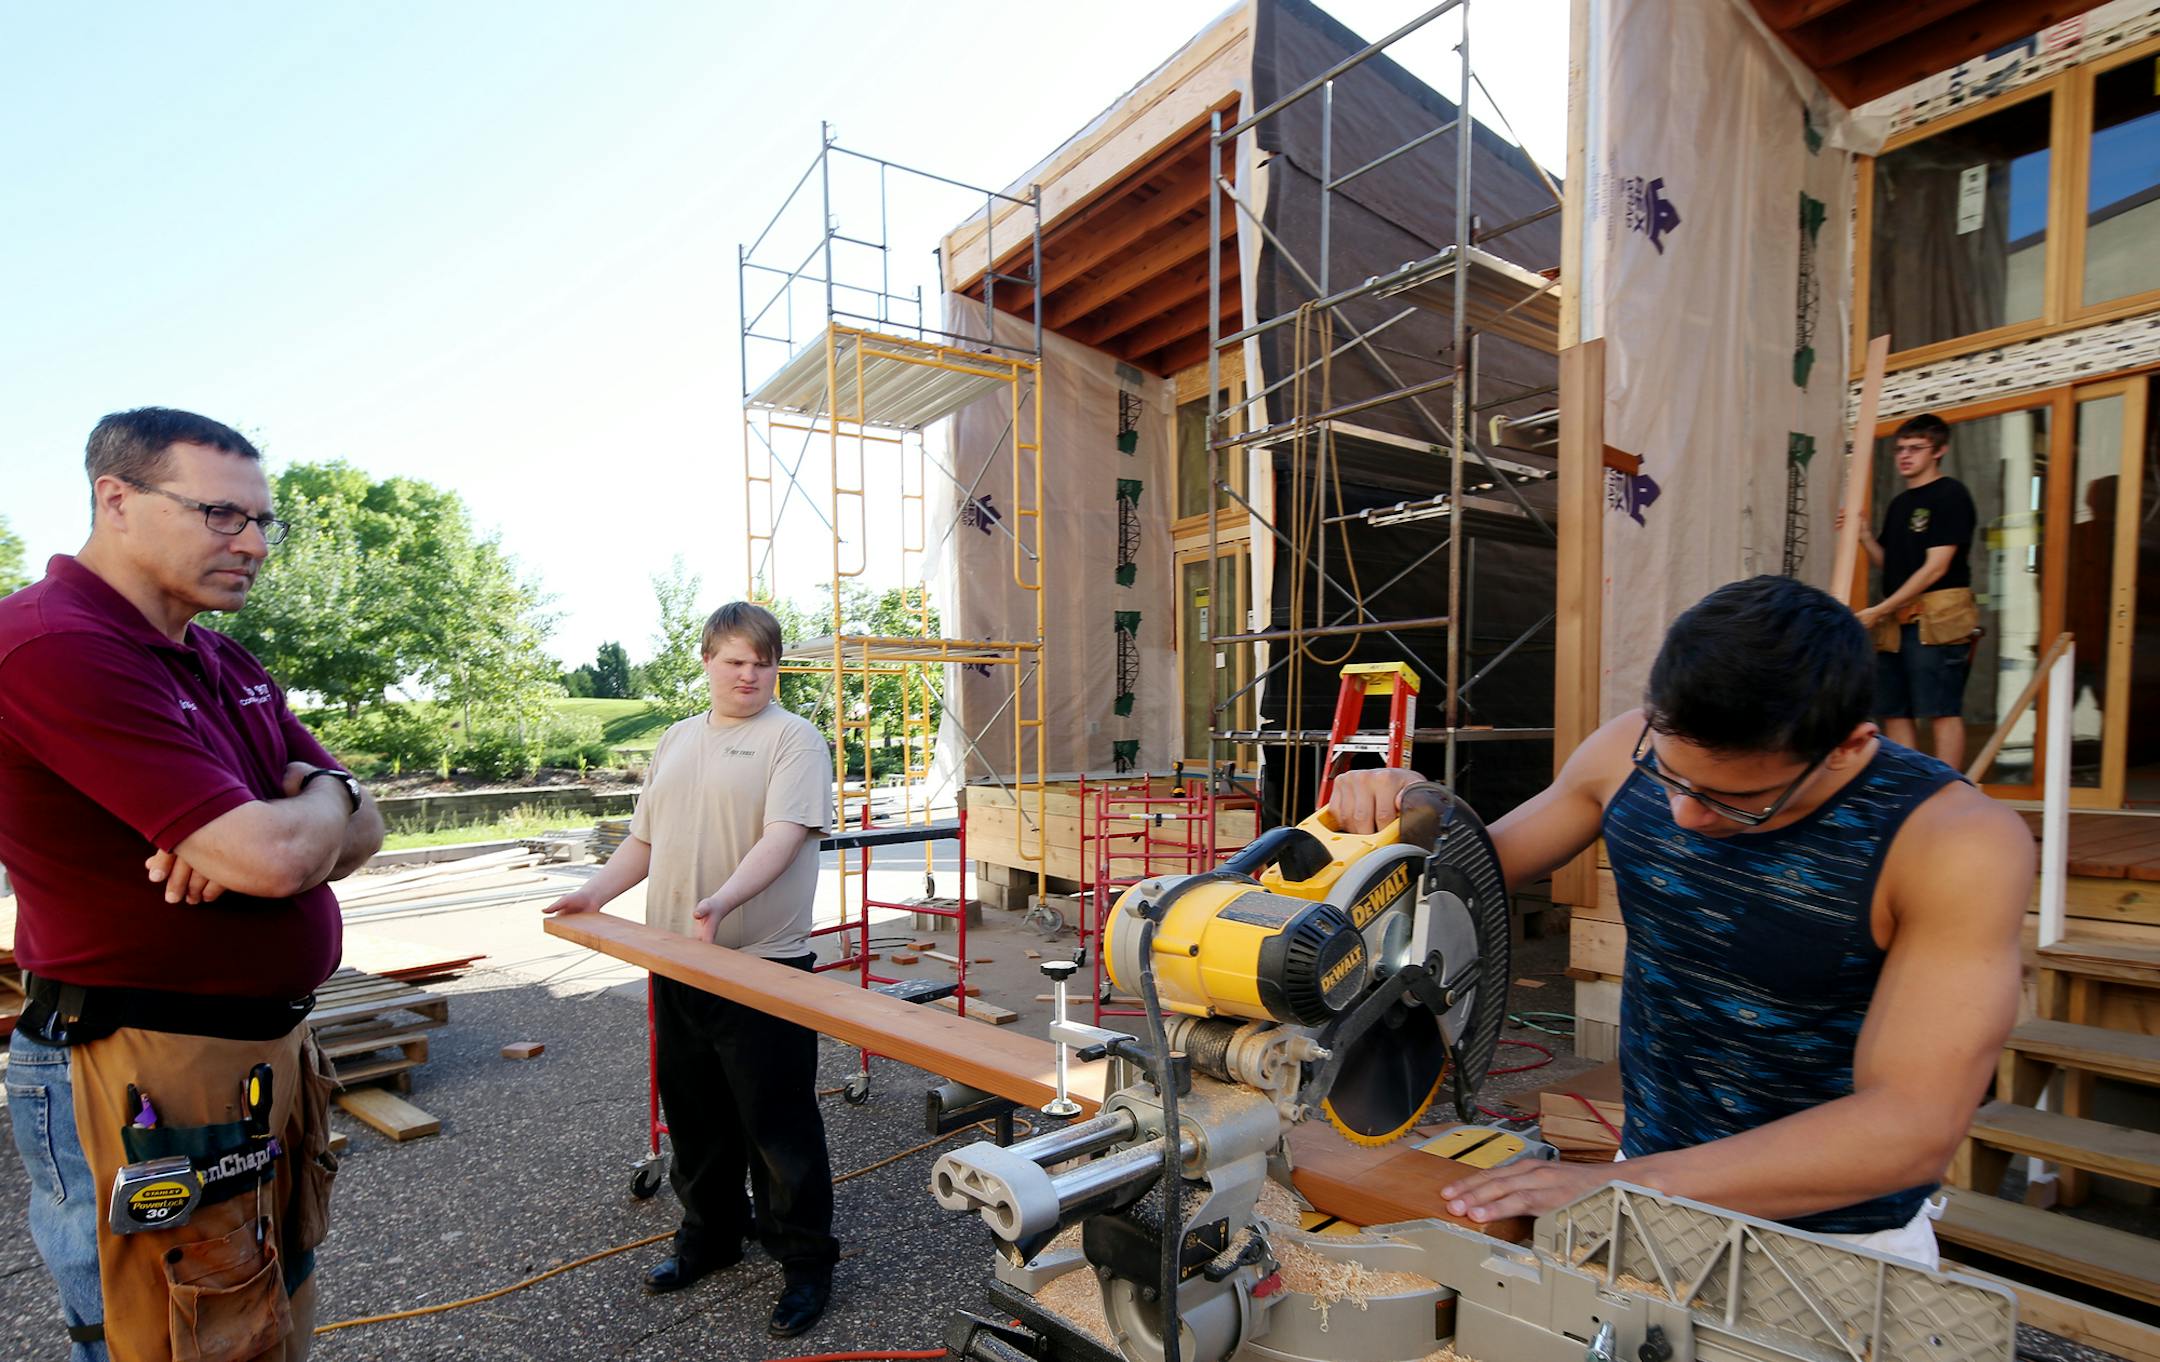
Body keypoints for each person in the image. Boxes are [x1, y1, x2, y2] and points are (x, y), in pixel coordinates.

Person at [1329, 575, 2031, 1266]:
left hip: (1837, 1241)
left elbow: (1908, 1126)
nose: (1684, 815)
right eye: (1669, 775)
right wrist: (1406, 810)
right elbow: (1464, 872)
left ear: (1847, 746)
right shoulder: (1624, 749)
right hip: (1642, 1178)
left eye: (1737, 800)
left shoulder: (1951, 844)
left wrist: (1618, 1185)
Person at [0, 408, 383, 1360]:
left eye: (262, 521)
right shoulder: (54, 645)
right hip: (138, 1062)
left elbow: (362, 826)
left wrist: (320, 797)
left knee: (261, 1314)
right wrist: (279, 832)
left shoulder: (221, 657)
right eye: (221, 514)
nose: (253, 544)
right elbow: (279, 859)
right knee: (171, 1335)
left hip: (258, 1056)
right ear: (116, 499)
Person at [543, 602, 839, 1337]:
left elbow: (784, 836)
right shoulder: (676, 738)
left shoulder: (794, 740)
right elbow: (644, 841)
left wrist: (723, 899)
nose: (750, 675)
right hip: (676, 960)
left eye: (763, 663)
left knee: (778, 1127)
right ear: (707, 660)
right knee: (697, 1119)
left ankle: (804, 1265)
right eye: (736, 661)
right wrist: (593, 892)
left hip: (762, 966)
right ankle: (710, 1238)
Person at [1853, 413, 1981, 770]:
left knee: (1939, 709)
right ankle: (1908, 786)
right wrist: (1864, 537)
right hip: (1896, 621)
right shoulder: (1899, 505)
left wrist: (1878, 610)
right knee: (1894, 710)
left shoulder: (1950, 494)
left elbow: (1936, 567)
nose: (1905, 456)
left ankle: (1949, 793)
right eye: (1899, 449)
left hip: (1935, 618)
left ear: (1939, 451)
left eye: (1916, 448)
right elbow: (1890, 564)